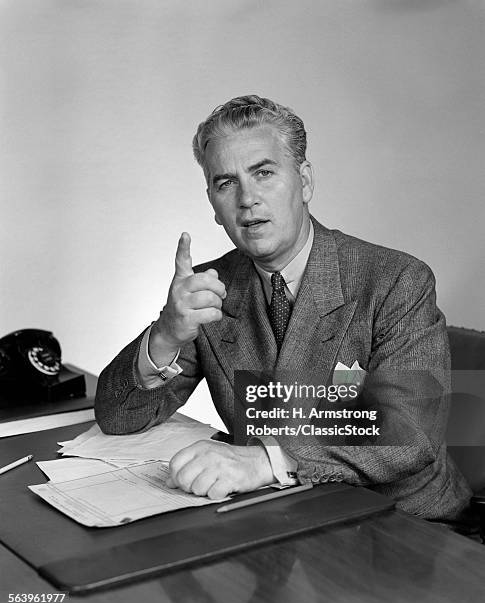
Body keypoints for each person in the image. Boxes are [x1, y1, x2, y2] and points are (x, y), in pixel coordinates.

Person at [95, 95, 471, 521]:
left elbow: (408, 434)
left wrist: (264, 461)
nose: (247, 199)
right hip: (280, 519)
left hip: (400, 525)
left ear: (305, 181)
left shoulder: (396, 279)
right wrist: (166, 334)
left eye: (264, 173)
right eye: (226, 183)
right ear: (213, 205)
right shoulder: (209, 288)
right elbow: (118, 417)